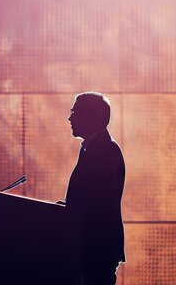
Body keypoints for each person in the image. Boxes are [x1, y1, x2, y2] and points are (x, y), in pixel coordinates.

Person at [59, 92, 126, 284]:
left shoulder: (105, 151)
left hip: (96, 247)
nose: (70, 117)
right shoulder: (95, 148)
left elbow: (98, 204)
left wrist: (68, 213)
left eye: (74, 112)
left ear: (90, 116)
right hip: (93, 246)